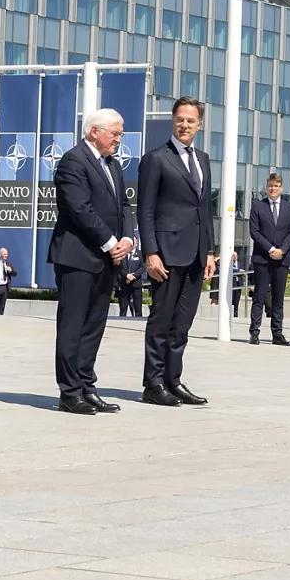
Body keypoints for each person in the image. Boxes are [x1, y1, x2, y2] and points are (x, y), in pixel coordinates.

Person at [47, 108, 134, 416]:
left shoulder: (114, 166)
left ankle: (87, 386)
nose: (119, 140)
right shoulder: (73, 161)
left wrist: (127, 238)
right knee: (73, 326)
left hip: (107, 259)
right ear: (94, 131)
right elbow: (79, 208)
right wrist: (110, 243)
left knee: (94, 326)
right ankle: (69, 392)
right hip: (77, 257)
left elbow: (123, 205)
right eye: (115, 133)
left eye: (120, 134)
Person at [138, 96, 216, 406]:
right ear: (173, 121)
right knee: (161, 321)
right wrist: (150, 252)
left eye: (191, 120)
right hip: (166, 253)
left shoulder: (204, 159)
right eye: (180, 119)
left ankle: (173, 380)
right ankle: (153, 383)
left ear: (200, 124)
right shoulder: (156, 158)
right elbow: (145, 210)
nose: (185, 124)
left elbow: (204, 209)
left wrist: (209, 251)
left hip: (196, 254)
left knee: (182, 323)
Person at [248, 172, 290, 346]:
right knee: (259, 296)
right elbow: (254, 232)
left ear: (281, 188)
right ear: (266, 187)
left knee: (278, 298)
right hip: (263, 257)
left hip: (282, 259)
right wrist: (271, 249)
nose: (273, 189)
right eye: (270, 186)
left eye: (276, 186)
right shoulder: (258, 207)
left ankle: (277, 333)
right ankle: (254, 332)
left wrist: (281, 250)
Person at [115, 239, 145, 318]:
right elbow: (118, 267)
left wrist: (133, 276)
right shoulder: (123, 253)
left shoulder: (140, 254)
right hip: (124, 283)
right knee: (123, 309)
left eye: (134, 242)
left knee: (138, 308)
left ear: (136, 243)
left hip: (136, 284)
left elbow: (143, 267)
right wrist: (127, 275)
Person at [0, 247, 15, 315]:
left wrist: (11, 271)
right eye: (4, 254)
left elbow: (15, 273)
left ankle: (0, 321)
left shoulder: (8, 263)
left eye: (7, 254)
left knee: (2, 307)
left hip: (5, 287)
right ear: (0, 254)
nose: (6, 256)